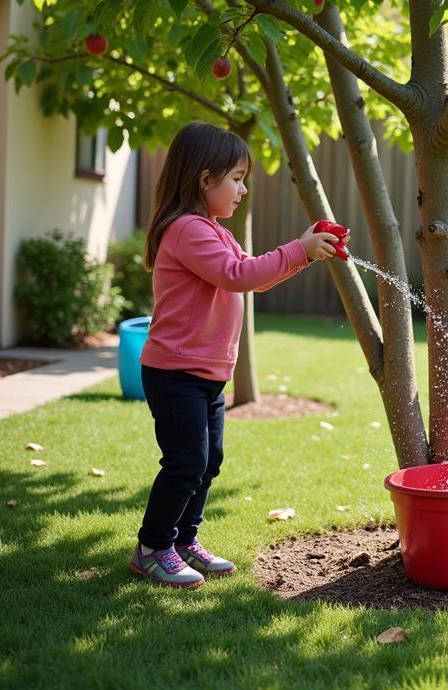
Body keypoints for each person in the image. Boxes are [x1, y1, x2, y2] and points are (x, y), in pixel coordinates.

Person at [130, 122, 348, 588]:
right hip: (175, 373)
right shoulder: (188, 230)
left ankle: (184, 541)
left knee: (208, 462)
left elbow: (253, 276)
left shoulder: (212, 229)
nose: (243, 189)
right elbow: (237, 275)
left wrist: (305, 252)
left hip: (203, 374)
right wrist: (298, 249)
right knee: (185, 463)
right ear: (204, 178)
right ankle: (152, 547)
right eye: (236, 178)